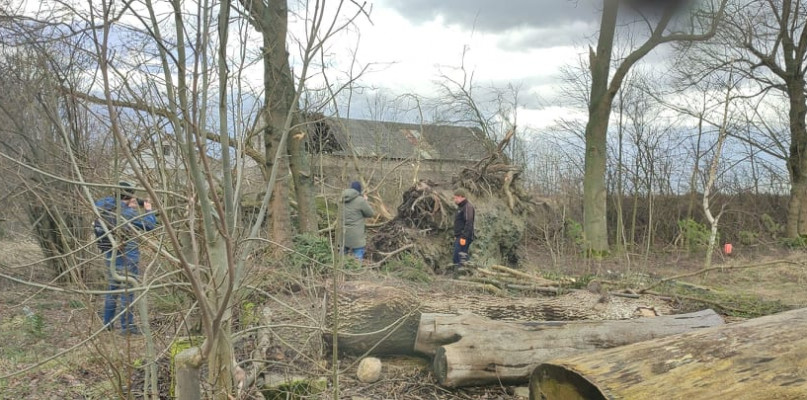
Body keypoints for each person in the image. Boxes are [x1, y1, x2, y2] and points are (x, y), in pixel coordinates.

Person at [95, 181, 157, 335]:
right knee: (128, 292)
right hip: (128, 256)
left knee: (112, 290)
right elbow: (149, 225)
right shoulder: (127, 214)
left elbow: (105, 202)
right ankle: (127, 328)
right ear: (129, 195)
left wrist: (129, 204)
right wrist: (148, 209)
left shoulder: (104, 205)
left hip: (110, 254)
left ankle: (107, 324)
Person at [337, 181, 375, 261]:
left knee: (341, 257)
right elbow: (371, 214)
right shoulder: (360, 201)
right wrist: (365, 201)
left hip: (342, 234)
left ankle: (340, 271)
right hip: (356, 236)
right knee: (358, 256)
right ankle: (356, 270)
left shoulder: (341, 199)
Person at [452, 188, 475, 268]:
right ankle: (465, 272)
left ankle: (464, 273)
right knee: (460, 256)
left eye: (455, 198)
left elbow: (469, 222)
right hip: (459, 236)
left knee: (460, 256)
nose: (454, 200)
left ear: (461, 197)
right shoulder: (460, 207)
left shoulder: (467, 207)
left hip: (464, 237)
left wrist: (464, 237)